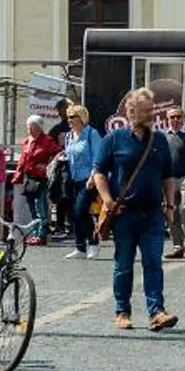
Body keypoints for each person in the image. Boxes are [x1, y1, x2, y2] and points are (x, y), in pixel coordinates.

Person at [92, 86, 179, 330]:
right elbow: (99, 173)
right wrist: (108, 200)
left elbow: (168, 176)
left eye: (152, 110)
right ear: (132, 112)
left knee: (153, 262)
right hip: (124, 214)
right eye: (146, 110)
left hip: (152, 213)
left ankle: (157, 312)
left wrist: (170, 205)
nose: (152, 114)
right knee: (124, 265)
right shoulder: (114, 139)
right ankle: (122, 311)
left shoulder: (159, 140)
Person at [159, 103, 185, 259]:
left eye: (178, 117)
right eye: (172, 117)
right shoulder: (164, 136)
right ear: (167, 119)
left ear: (183, 118)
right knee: (172, 211)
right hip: (169, 180)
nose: (175, 120)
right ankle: (178, 246)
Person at [65, 105, 103, 258]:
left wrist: (93, 176)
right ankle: (80, 247)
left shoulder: (91, 134)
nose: (69, 120)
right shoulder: (69, 136)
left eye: (72, 117)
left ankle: (94, 242)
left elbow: (98, 157)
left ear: (81, 118)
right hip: (73, 179)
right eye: (68, 117)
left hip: (88, 179)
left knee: (81, 211)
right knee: (74, 213)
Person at [15, 115, 59, 243]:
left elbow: (59, 152)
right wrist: (18, 175)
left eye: (32, 127)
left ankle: (42, 235)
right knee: (32, 207)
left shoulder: (47, 141)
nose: (29, 129)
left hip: (41, 178)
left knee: (40, 206)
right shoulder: (26, 141)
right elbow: (22, 160)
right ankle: (35, 233)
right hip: (29, 178)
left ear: (39, 127)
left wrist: (48, 164)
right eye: (28, 127)